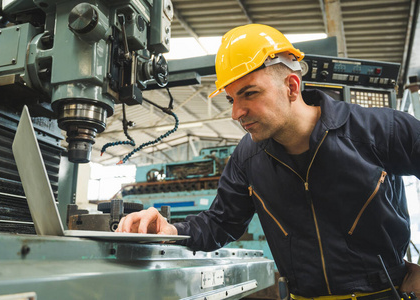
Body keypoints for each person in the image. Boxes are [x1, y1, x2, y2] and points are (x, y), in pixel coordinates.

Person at [117, 24, 420, 299]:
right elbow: (220, 223)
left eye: (249, 94)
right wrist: (171, 231)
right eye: (231, 99)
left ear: (291, 86)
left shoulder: (378, 130)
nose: (236, 113)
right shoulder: (247, 158)